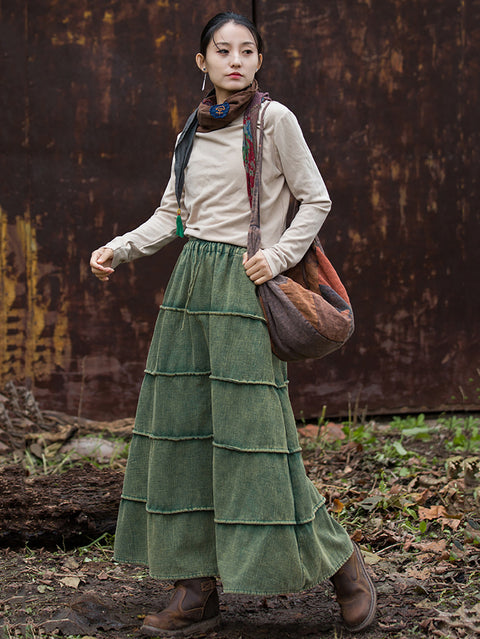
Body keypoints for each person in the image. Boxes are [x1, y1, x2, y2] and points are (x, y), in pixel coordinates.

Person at [90, 12, 376, 637]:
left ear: (259, 61)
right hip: (190, 291)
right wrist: (122, 247)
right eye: (223, 51)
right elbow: (173, 215)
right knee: (183, 436)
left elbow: (316, 197)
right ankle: (196, 594)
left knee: (258, 445)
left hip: (245, 292)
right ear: (203, 61)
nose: (236, 61)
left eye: (248, 51)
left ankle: (345, 567)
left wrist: (274, 257)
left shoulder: (275, 121)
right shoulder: (192, 128)